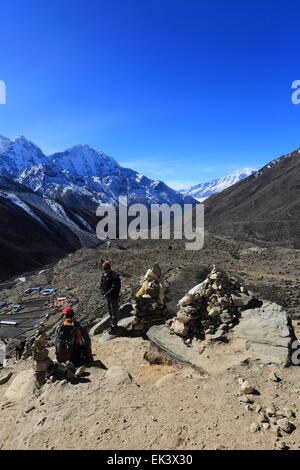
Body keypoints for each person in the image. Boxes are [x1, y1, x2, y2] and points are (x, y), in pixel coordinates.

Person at [100, 261, 121, 332]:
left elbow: (114, 287)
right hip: (107, 297)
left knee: (114, 311)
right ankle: (112, 325)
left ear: (109, 268)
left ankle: (115, 325)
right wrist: (103, 293)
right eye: (104, 269)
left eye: (106, 268)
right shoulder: (104, 275)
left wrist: (107, 294)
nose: (105, 270)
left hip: (113, 297)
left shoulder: (114, 275)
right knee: (110, 312)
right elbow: (101, 285)